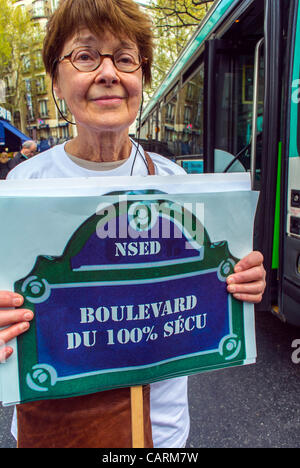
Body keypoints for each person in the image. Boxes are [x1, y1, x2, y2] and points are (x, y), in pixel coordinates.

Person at [0, 0, 266, 448]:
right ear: (56, 83)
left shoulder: (174, 181)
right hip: (59, 429)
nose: (108, 73)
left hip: (160, 431)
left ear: (140, 78)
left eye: (124, 59)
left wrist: (241, 282)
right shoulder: (24, 184)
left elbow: (209, 289)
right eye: (85, 56)